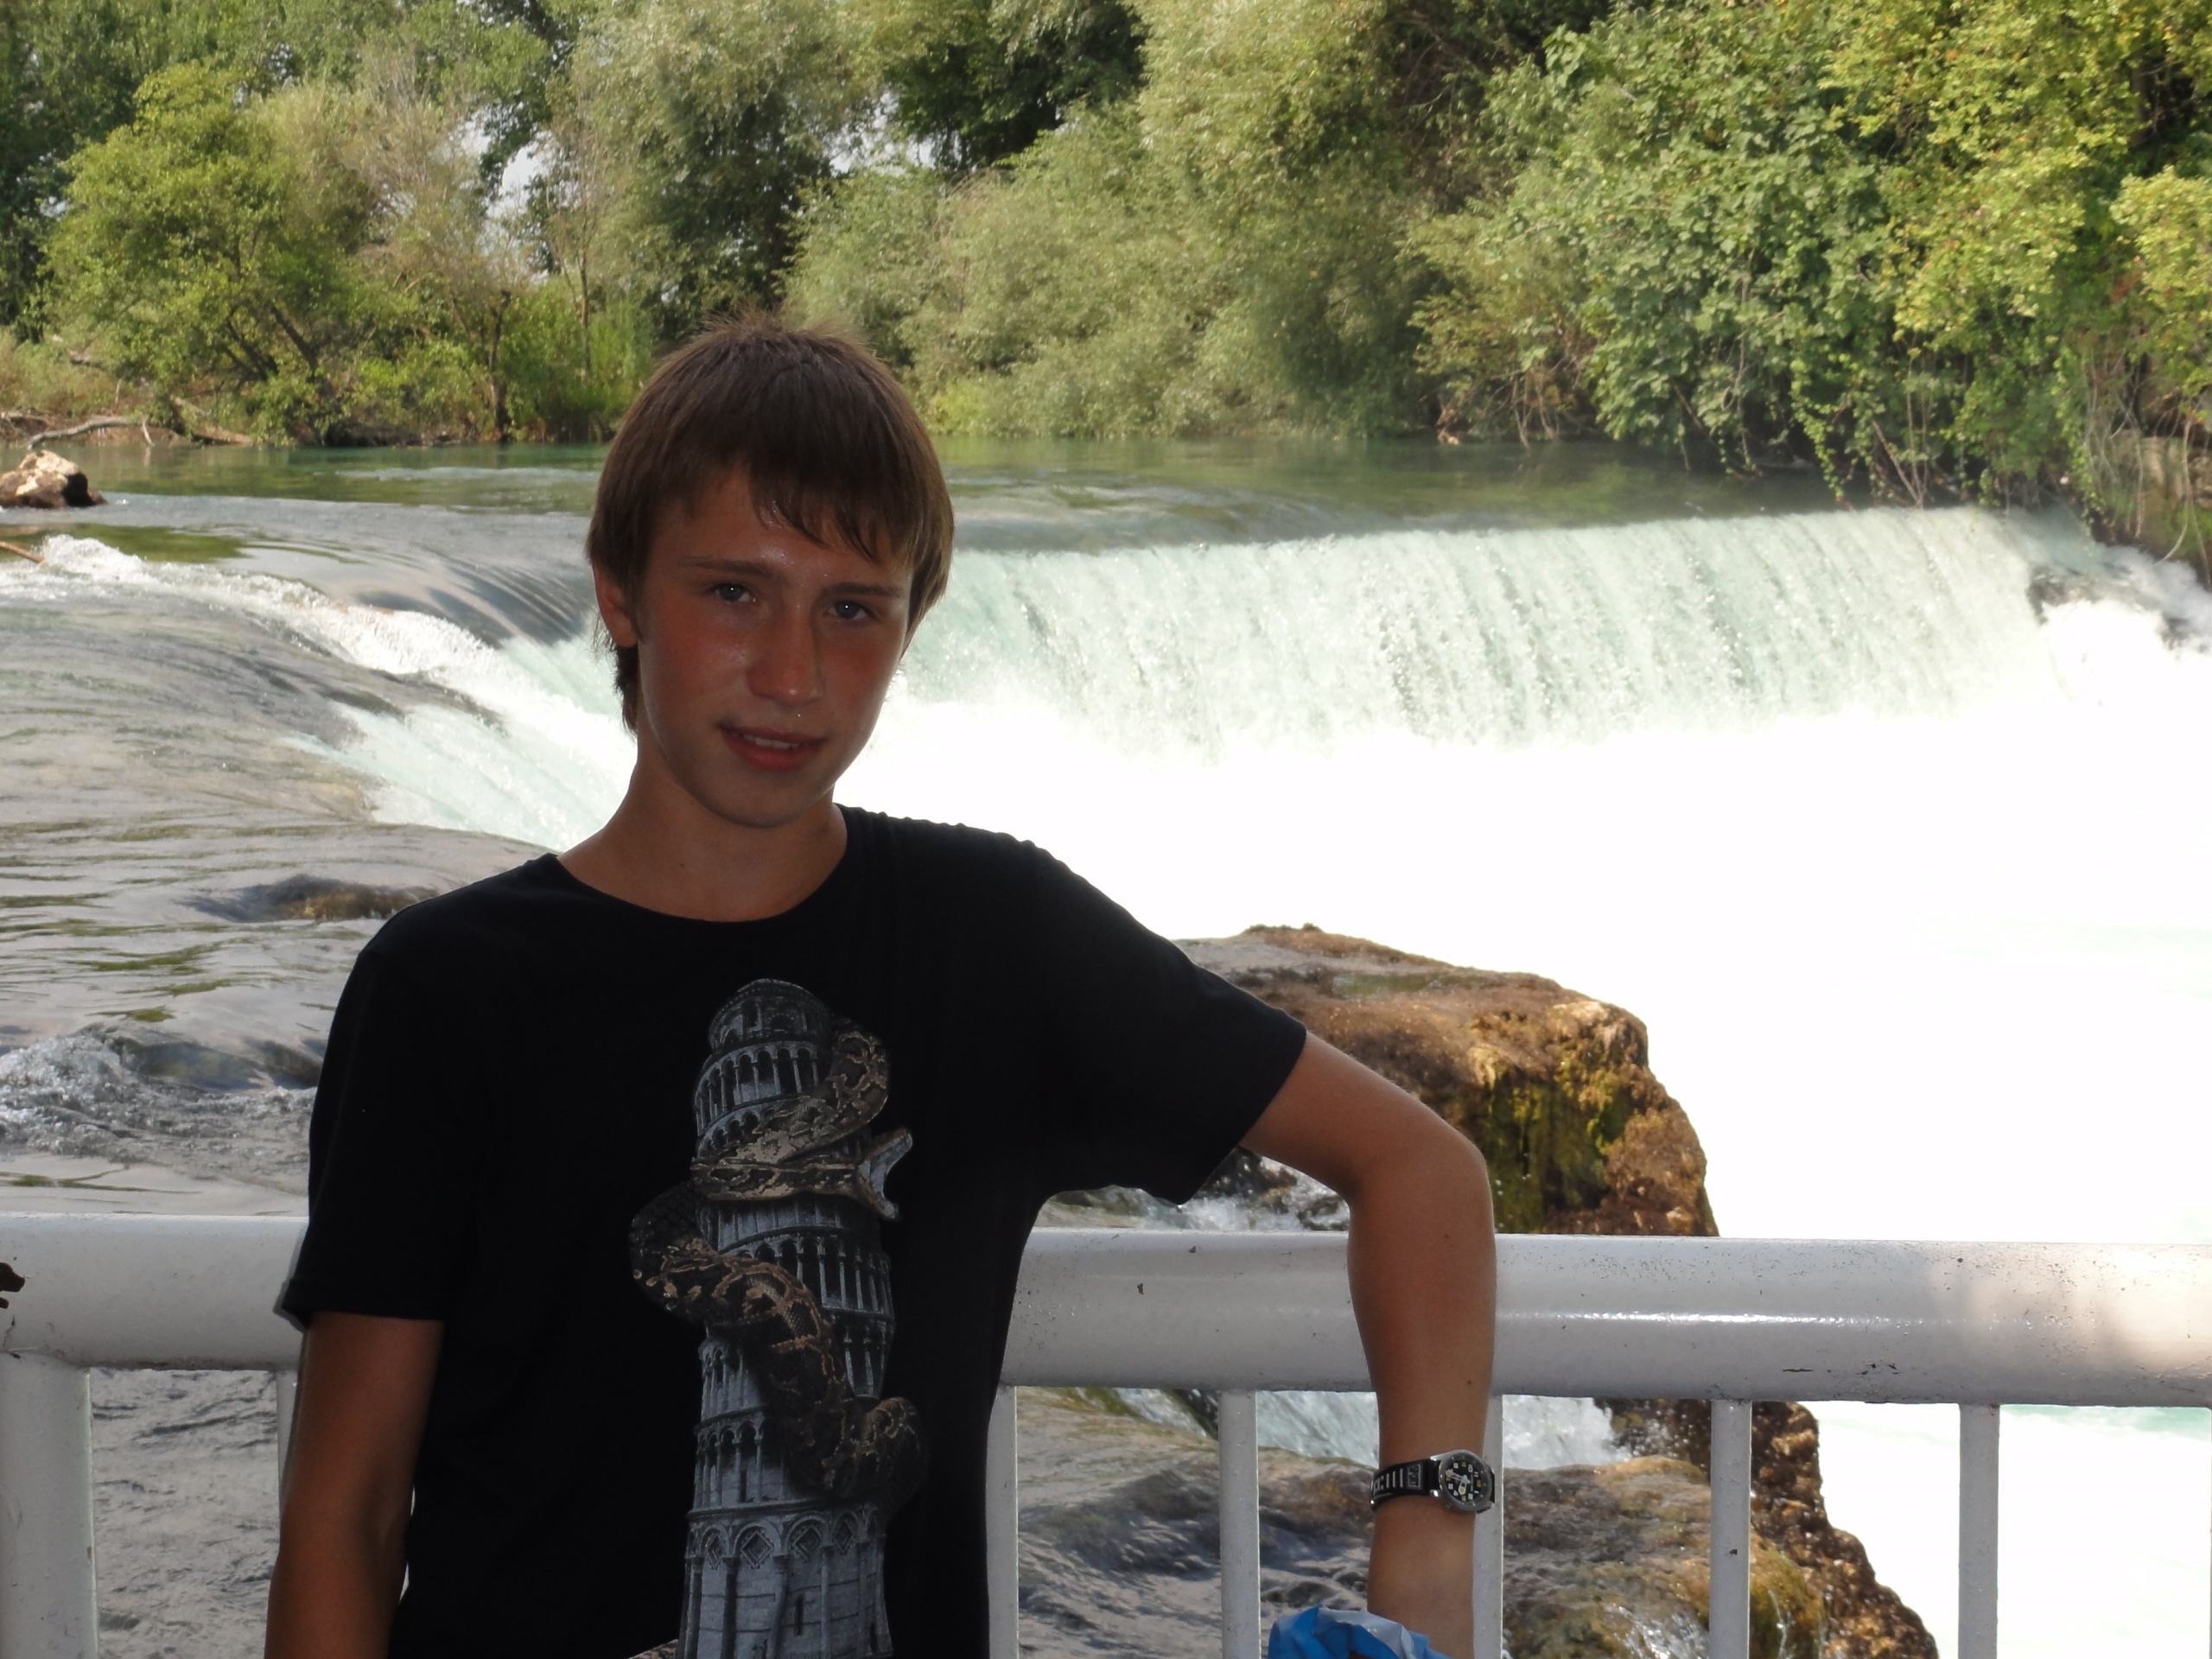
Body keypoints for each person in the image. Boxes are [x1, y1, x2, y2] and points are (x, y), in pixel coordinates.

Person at [264, 319, 1496, 1659]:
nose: (792, 676)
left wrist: (1425, 1549)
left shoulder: (995, 940)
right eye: (734, 593)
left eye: (852, 610)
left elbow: (1419, 1168)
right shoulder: (446, 988)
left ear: (910, 628)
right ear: (620, 595)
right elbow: (346, 1518)